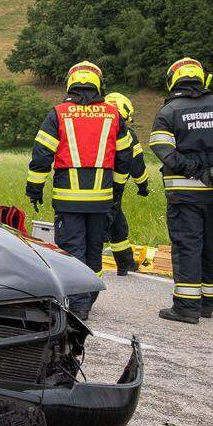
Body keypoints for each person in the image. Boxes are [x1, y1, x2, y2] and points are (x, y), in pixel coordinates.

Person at [26, 62, 134, 320]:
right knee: (94, 249)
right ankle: (88, 299)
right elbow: (125, 157)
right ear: (98, 85)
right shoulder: (112, 115)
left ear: (70, 84)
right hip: (101, 200)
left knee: (72, 250)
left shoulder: (58, 114)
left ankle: (77, 305)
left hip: (68, 199)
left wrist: (35, 188)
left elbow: (42, 155)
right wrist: (117, 189)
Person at [149, 57, 213, 324]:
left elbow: (164, 152)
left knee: (187, 246)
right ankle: (208, 303)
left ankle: (186, 307)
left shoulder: (169, 113)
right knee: (211, 245)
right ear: (201, 79)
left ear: (173, 80)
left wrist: (196, 171)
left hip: (185, 195)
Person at [102, 92, 151, 275]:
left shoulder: (94, 126)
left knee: (117, 223)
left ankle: (125, 263)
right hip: (115, 186)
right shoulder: (128, 133)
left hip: (90, 183)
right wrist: (143, 185)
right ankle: (87, 264)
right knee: (105, 223)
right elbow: (136, 163)